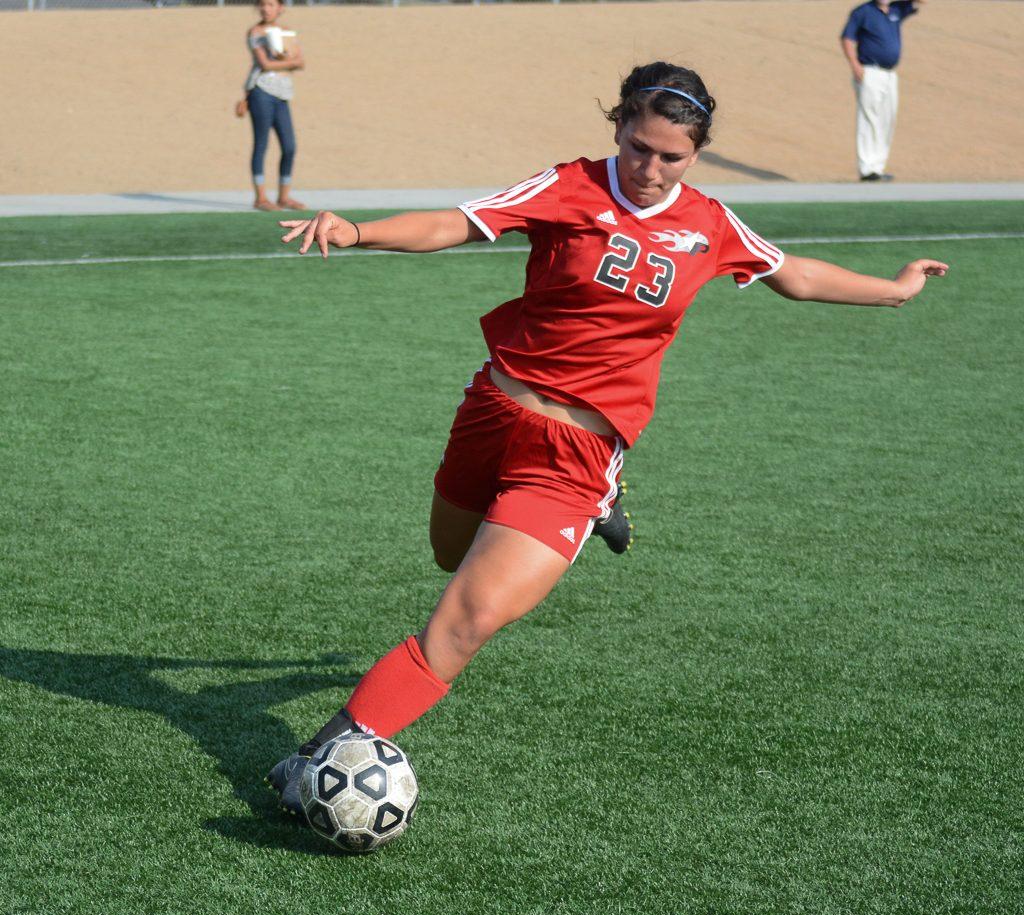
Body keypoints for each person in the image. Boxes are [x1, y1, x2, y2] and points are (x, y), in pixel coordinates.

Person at [265, 61, 947, 819]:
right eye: (638, 148)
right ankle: (596, 507)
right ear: (618, 127)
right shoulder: (569, 186)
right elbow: (458, 222)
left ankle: (314, 761)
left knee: (466, 618)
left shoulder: (712, 225)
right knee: (449, 555)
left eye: (671, 156)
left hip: (576, 456)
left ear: (697, 153)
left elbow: (797, 275)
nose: (651, 169)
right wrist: (355, 231)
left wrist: (896, 288)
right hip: (493, 412)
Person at [840, 0, 926, 181]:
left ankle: (877, 168)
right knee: (869, 118)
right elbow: (847, 38)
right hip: (869, 71)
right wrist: (855, 65)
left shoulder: (896, 9)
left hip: (890, 74)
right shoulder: (863, 11)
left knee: (887, 120)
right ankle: (866, 169)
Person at [235, 0, 305, 211]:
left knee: (290, 146)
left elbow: (301, 61)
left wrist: (288, 61)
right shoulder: (256, 32)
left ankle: (284, 197)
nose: (266, 8)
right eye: (263, 4)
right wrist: (289, 62)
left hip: (283, 94)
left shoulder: (286, 31)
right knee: (261, 144)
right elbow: (265, 64)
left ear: (281, 8)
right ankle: (261, 198)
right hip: (261, 92)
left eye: (271, 4)